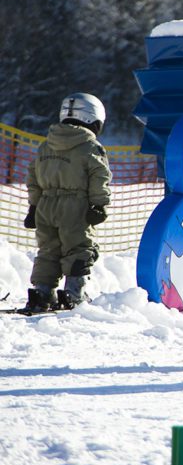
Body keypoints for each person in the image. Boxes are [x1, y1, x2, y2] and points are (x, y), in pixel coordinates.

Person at [23, 92, 112, 312]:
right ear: (93, 118)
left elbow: (33, 177)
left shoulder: (46, 145)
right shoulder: (90, 147)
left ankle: (42, 294)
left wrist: (33, 207)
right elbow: (99, 175)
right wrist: (98, 204)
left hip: (45, 205)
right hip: (75, 206)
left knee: (48, 250)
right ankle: (74, 294)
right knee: (79, 248)